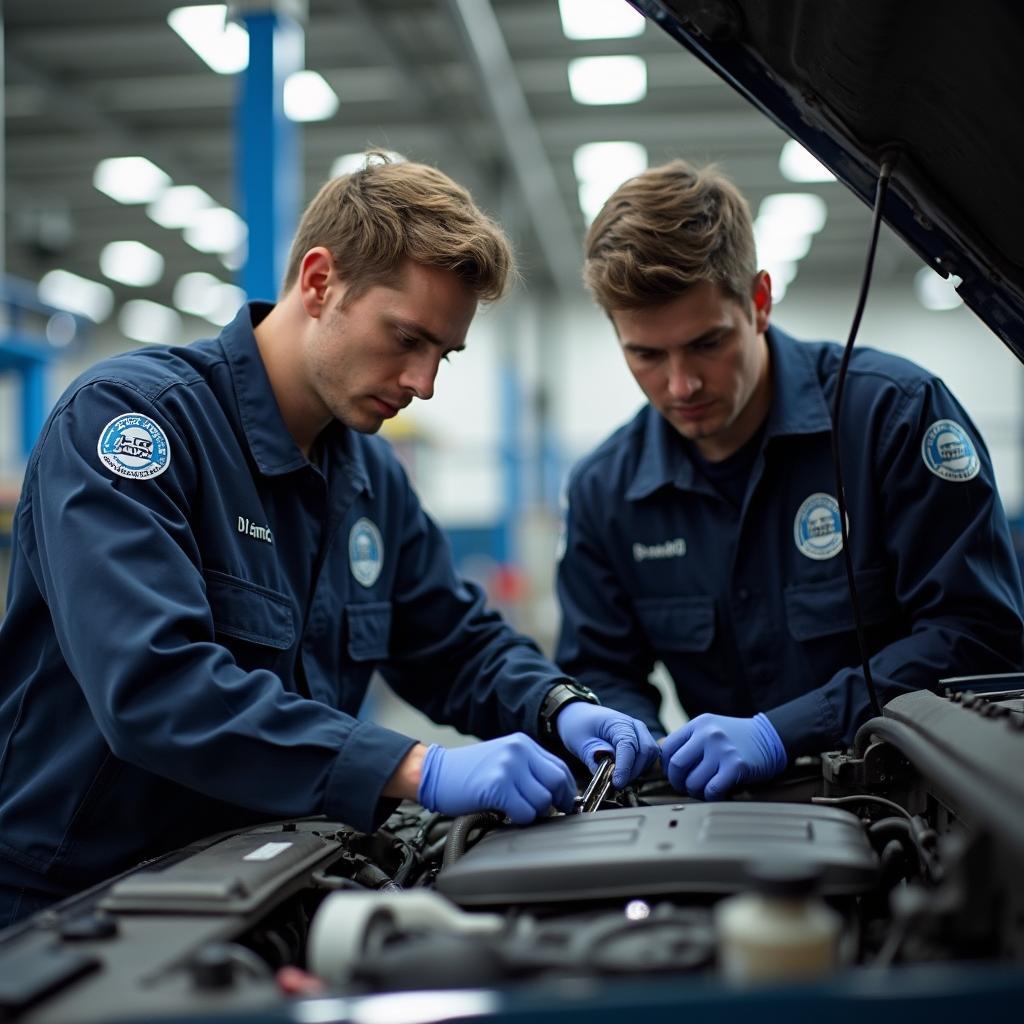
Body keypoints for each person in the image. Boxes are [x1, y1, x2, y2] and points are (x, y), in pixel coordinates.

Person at [0, 154, 658, 925]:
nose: (424, 382)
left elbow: (454, 642)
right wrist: (416, 766)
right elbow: (155, 686)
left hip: (261, 881)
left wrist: (557, 705)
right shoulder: (134, 426)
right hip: (76, 899)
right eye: (405, 337)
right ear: (319, 282)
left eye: (442, 353)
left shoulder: (370, 478)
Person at [555, 158, 1024, 802]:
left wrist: (786, 731)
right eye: (646, 355)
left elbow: (977, 636)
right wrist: (628, 737)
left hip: (902, 807)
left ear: (759, 302)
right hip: (719, 820)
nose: (680, 384)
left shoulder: (894, 417)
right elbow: (601, 666)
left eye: (706, 344)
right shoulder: (604, 491)